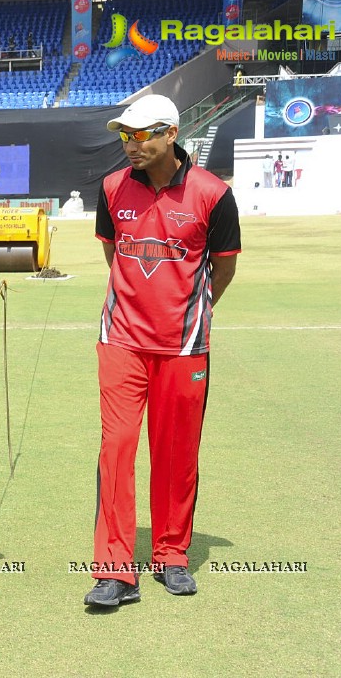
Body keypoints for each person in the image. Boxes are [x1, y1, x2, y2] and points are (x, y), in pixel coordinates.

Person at [86, 95, 240, 607]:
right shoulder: (111, 187)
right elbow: (114, 255)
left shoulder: (213, 194)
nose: (131, 145)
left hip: (183, 347)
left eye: (142, 135)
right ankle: (114, 570)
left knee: (175, 453)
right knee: (117, 448)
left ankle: (171, 555)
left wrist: (187, 311)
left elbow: (223, 268)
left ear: (171, 133)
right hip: (122, 341)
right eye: (125, 135)